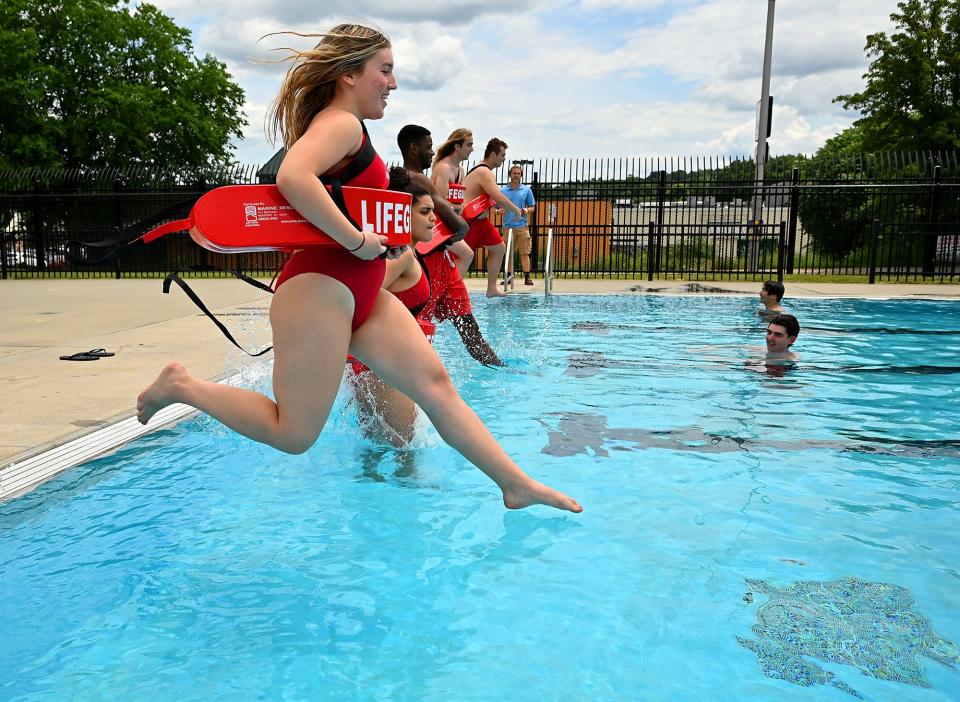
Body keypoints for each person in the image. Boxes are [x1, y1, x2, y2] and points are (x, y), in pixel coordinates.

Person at [135, 24, 581, 514]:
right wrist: (356, 240)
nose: (392, 83)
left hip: (360, 292)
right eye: (384, 71)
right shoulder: (340, 122)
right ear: (349, 73)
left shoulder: (353, 129)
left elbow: (342, 204)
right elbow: (292, 176)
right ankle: (182, 386)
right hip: (320, 291)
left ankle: (514, 484)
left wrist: (380, 242)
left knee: (435, 387)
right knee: (293, 433)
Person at [398, 125, 503, 367]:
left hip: (435, 260)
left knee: (424, 332)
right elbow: (458, 224)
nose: (432, 153)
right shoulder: (419, 180)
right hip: (429, 266)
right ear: (413, 149)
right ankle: (498, 368)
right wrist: (457, 220)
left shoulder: (401, 181)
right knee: (466, 329)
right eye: (427, 148)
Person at [462, 137, 523, 297]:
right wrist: (516, 210)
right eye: (502, 155)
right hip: (470, 222)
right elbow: (499, 197)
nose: (504, 159)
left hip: (481, 221)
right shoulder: (484, 171)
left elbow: (491, 199)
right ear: (493, 154)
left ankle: (491, 289)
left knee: (499, 248)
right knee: (462, 258)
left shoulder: (482, 171)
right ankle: (451, 292)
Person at [430, 128, 476, 277]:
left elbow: (458, 205)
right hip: (435, 225)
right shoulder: (444, 168)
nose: (472, 149)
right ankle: (450, 291)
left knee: (465, 255)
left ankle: (449, 290)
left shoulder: (460, 170)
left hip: (449, 224)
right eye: (469, 145)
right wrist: (458, 208)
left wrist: (459, 208)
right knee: (466, 254)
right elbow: (439, 204)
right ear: (457, 146)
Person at [499, 164, 536, 286]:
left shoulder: (526, 190)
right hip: (507, 227)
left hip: (522, 227)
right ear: (510, 174)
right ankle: (509, 277)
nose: (516, 175)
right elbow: (495, 208)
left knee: (525, 253)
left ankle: (527, 277)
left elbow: (532, 208)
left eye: (518, 173)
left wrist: (525, 210)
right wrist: (498, 211)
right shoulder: (503, 191)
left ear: (521, 176)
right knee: (508, 253)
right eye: (514, 173)